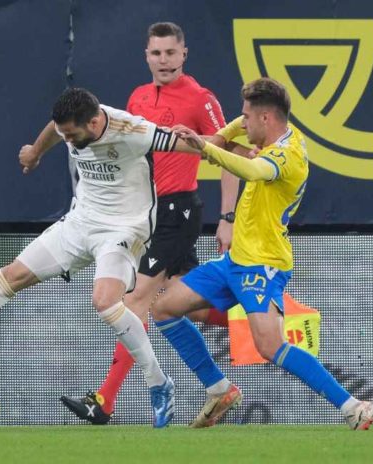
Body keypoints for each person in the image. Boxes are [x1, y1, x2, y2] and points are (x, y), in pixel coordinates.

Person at [0, 87, 197, 428]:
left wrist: (230, 147)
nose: (68, 138)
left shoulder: (134, 131)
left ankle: (159, 384)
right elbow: (54, 129)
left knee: (105, 301)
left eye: (73, 134)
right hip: (80, 222)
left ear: (94, 121)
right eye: (65, 133)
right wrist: (34, 152)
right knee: (11, 276)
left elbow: (195, 145)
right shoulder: (69, 125)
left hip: (124, 229)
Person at [150, 77, 373, 429]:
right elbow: (219, 139)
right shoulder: (272, 128)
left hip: (263, 263)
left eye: (246, 116)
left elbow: (251, 169)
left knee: (270, 346)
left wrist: (207, 149)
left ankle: (351, 406)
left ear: (266, 119)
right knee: (164, 308)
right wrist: (198, 141)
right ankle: (218, 387)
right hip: (235, 260)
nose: (242, 122)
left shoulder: (288, 157)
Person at [59, 22, 240, 425]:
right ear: (146, 56)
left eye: (170, 53)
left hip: (177, 213)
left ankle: (104, 401)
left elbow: (233, 154)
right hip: (144, 213)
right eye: (156, 54)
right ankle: (227, 375)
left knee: (133, 304)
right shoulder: (137, 98)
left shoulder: (200, 98)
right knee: (177, 307)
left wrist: (227, 218)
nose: (164, 61)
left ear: (184, 54)